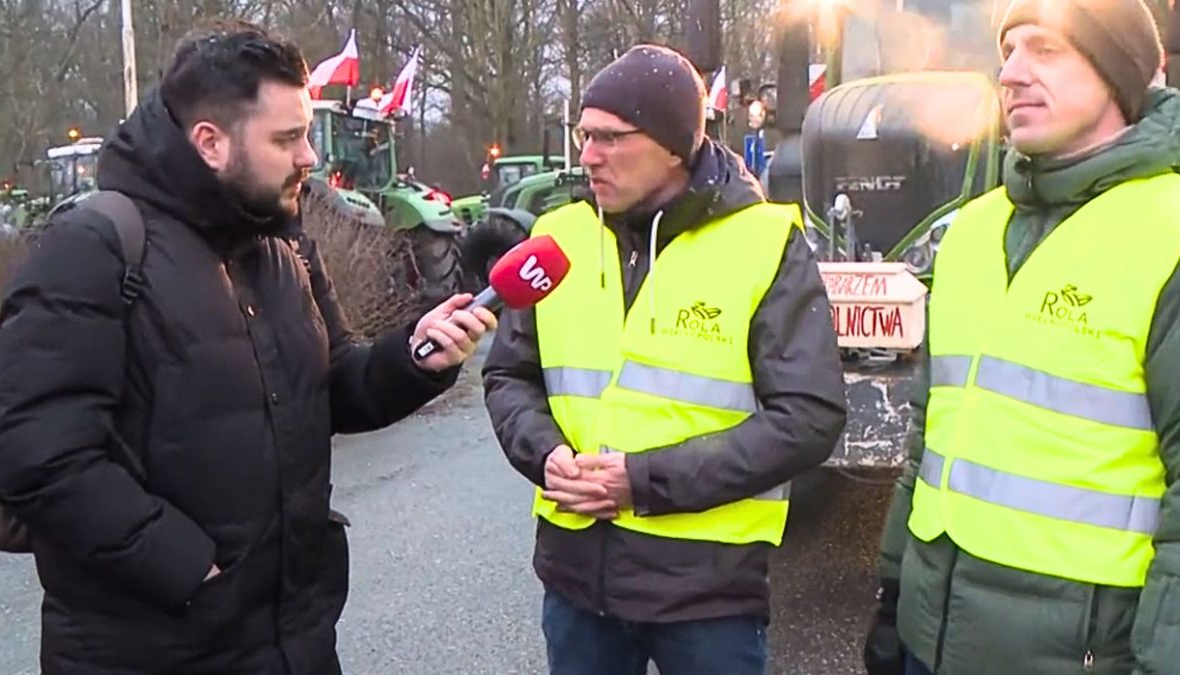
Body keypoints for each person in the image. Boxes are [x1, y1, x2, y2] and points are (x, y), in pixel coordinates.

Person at [0, 21, 495, 675]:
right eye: (287, 139)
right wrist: (185, 563)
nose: (309, 157)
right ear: (210, 142)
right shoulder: (94, 246)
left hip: (292, 639)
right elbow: (30, 455)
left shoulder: (282, 243)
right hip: (149, 648)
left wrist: (415, 358)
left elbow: (334, 382)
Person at [482, 44, 847, 675]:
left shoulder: (763, 244)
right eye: (583, 135)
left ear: (676, 145)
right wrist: (546, 456)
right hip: (577, 588)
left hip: (708, 601)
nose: (588, 155)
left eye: (611, 138)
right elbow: (509, 374)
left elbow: (809, 417)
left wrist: (642, 480)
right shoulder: (556, 238)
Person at [863, 2, 1180, 674]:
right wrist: (894, 594)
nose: (1009, 74)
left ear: (1116, 73)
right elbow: (930, 436)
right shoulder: (973, 230)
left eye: (1045, 49)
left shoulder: (1168, 231)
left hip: (1081, 655)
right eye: (1007, 51)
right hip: (931, 639)